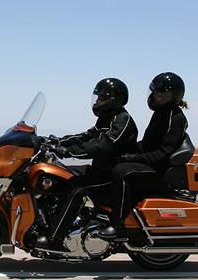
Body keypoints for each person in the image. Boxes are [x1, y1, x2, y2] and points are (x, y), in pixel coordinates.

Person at [36, 78, 138, 251]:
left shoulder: (122, 121)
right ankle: (55, 221)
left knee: (76, 188)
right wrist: (57, 142)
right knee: (61, 175)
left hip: (111, 174)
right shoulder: (108, 118)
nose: (97, 102)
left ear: (114, 100)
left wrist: (69, 152)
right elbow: (87, 136)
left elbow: (102, 145)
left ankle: (55, 239)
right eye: (97, 98)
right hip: (100, 169)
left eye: (102, 98)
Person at [98, 72, 189, 240]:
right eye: (155, 92)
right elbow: (148, 144)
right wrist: (127, 150)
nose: (156, 97)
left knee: (122, 172)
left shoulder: (175, 118)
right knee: (111, 162)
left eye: (161, 94)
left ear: (173, 96)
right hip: (152, 162)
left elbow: (163, 153)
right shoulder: (162, 113)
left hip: (159, 168)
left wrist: (132, 158)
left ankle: (117, 225)